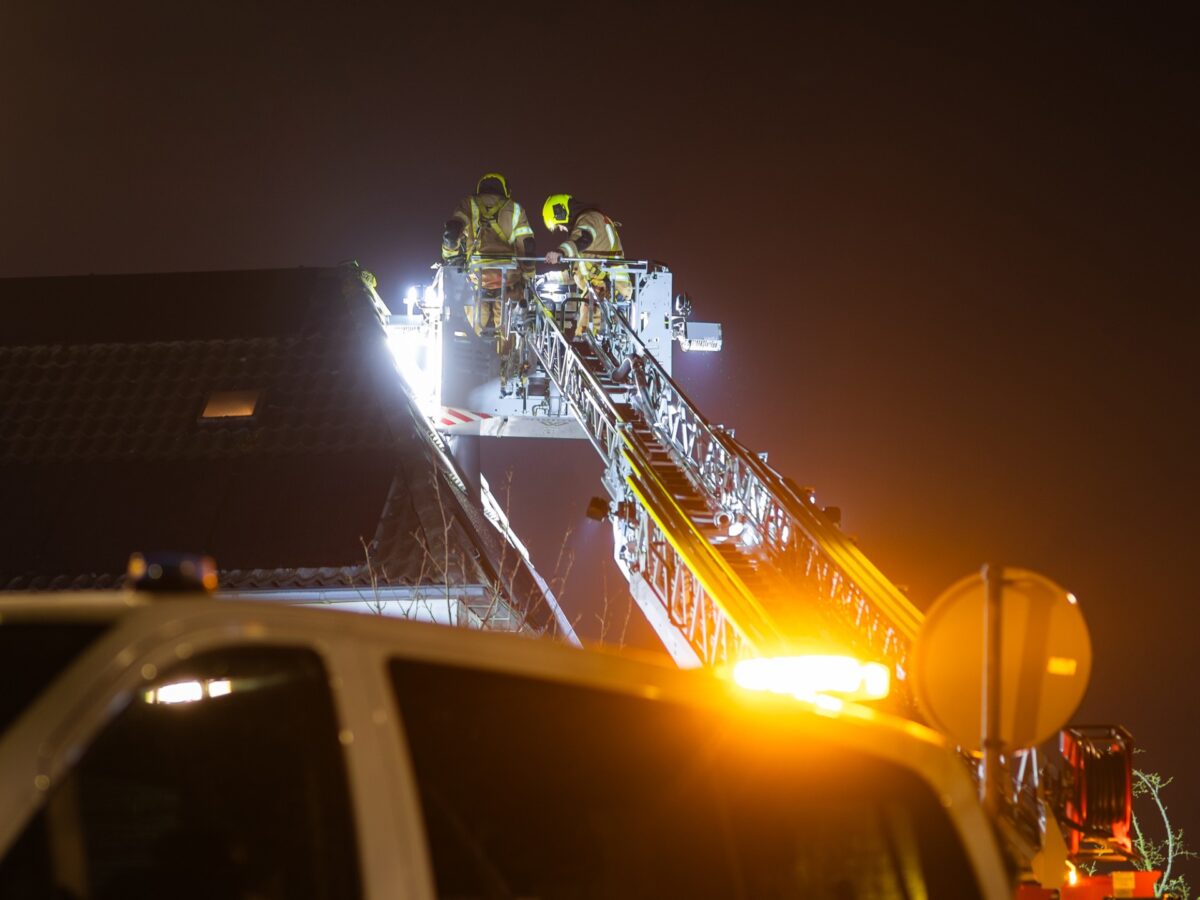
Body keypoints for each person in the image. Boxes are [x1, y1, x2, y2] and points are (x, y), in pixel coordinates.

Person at [442, 173, 536, 336]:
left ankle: (471, 348)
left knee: (471, 334)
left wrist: (450, 258)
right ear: (506, 190)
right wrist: (529, 275)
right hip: (508, 281)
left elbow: (452, 232)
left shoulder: (468, 204)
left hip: (477, 281)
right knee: (509, 335)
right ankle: (506, 348)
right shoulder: (515, 209)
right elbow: (528, 246)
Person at [542, 194, 631, 337]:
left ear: (561, 212)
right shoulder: (585, 232)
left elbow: (584, 237)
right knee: (589, 332)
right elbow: (576, 273)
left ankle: (588, 345)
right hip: (603, 289)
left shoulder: (589, 219)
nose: (562, 229)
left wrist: (561, 252)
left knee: (588, 333)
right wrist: (547, 277)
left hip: (610, 288)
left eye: (558, 225)